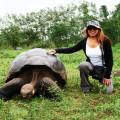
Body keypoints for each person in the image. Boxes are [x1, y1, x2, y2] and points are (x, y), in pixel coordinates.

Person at [48, 20, 113, 94]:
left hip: (103, 69)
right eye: (90, 28)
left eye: (94, 28)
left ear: (98, 30)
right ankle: (86, 87)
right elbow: (72, 49)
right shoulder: (84, 41)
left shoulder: (105, 40)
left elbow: (110, 60)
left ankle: (105, 78)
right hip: (91, 66)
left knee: (108, 91)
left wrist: (107, 76)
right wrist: (56, 50)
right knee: (83, 65)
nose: (92, 30)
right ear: (87, 30)